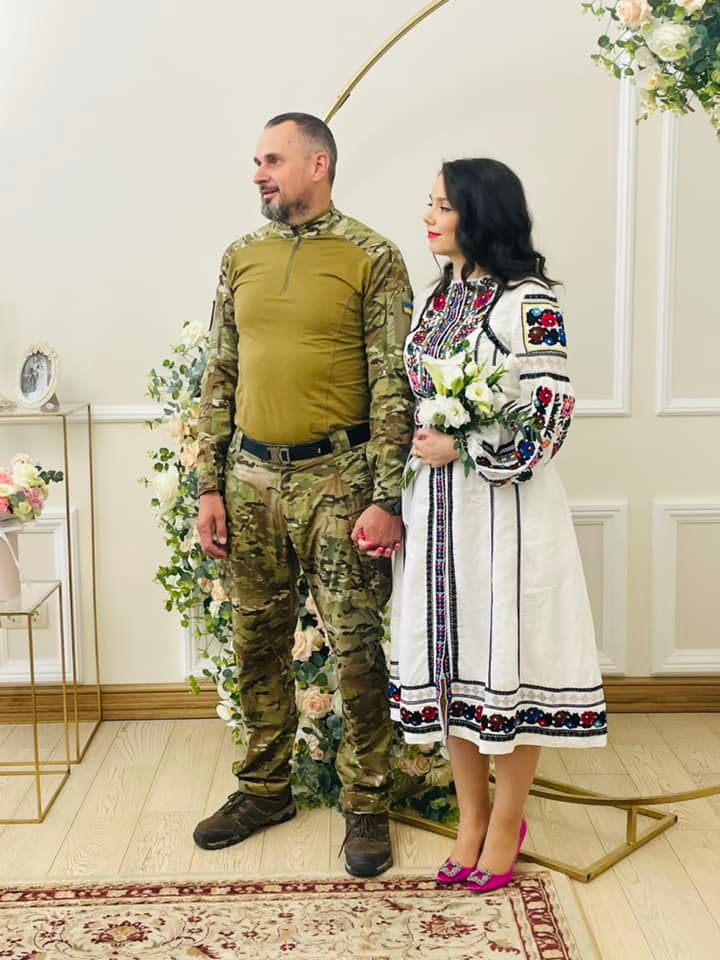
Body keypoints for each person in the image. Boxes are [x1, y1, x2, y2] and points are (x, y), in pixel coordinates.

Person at [193, 112, 415, 877]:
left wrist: (385, 496)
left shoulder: (373, 256)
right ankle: (264, 790)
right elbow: (219, 371)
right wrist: (209, 486)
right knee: (256, 641)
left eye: (272, 159)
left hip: (340, 482)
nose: (259, 173)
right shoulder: (240, 256)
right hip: (249, 479)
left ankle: (367, 803)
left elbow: (393, 384)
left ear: (317, 165)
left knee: (356, 647)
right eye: (257, 161)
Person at [379, 158, 607, 893]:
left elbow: (551, 413)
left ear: (479, 214)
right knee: (448, 666)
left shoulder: (531, 301)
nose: (429, 216)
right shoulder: (435, 299)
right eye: (430, 203)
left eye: (443, 205)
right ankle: (469, 819)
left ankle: (507, 823)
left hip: (504, 513)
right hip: (436, 512)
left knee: (506, 661)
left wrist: (468, 446)